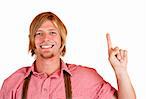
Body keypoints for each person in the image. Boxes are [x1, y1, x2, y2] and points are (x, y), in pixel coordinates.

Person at [0, 11, 136, 99]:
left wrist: (120, 71)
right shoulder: (13, 83)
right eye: (39, 33)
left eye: (52, 32)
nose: (45, 38)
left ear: (62, 41)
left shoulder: (85, 78)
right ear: (32, 41)